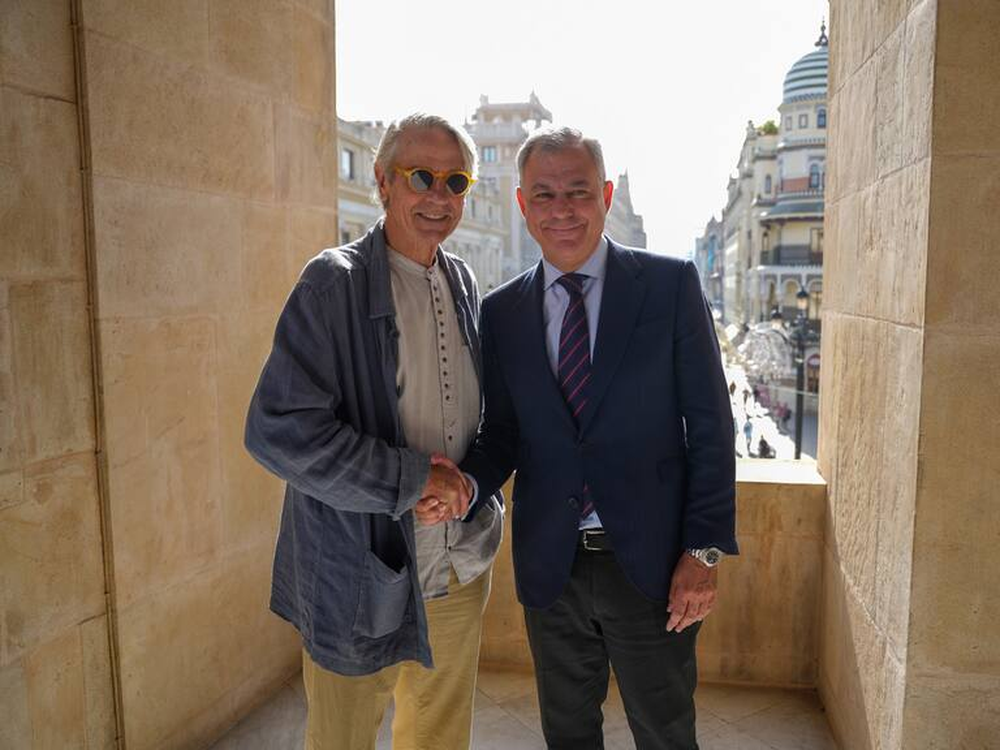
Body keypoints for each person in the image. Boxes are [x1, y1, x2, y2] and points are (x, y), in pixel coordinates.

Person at [460, 126, 738, 749]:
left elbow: (713, 427)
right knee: (568, 734)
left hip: (655, 566)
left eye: (578, 191)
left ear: (606, 195)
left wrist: (705, 551)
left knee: (665, 732)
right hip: (550, 568)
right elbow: (502, 432)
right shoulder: (502, 312)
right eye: (545, 195)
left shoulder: (669, 287)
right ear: (523, 207)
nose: (562, 209)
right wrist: (466, 484)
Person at [245, 113, 503, 750]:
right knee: (342, 736)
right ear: (385, 184)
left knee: (439, 738)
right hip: (358, 574)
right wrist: (413, 479)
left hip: (456, 566)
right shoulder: (330, 284)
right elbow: (276, 431)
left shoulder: (464, 281)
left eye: (456, 181)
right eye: (421, 176)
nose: (438, 196)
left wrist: (468, 486)